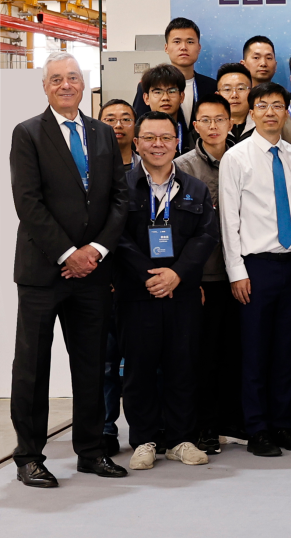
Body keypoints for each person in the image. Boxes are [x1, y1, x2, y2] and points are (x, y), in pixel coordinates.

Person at [10, 51, 130, 487]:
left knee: (91, 364)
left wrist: (94, 250)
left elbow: (119, 198)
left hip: (94, 273)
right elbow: (28, 203)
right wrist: (68, 254)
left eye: (73, 77)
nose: (66, 84)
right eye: (57, 78)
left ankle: (91, 451)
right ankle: (28, 457)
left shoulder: (102, 132)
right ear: (45, 87)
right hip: (44, 273)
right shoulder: (28, 133)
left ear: (84, 85)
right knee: (32, 367)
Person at [115, 111, 218, 470]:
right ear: (137, 142)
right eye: (149, 138)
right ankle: (144, 439)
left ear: (177, 142)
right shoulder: (120, 187)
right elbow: (116, 237)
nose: (157, 145)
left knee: (182, 365)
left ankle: (179, 439)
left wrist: (176, 274)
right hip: (137, 292)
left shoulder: (195, 188)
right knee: (139, 368)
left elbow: (206, 236)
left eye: (165, 138)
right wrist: (149, 275)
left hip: (182, 292)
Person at [219, 82, 291, 458]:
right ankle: (257, 429)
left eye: (277, 105)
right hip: (255, 267)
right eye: (263, 106)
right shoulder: (236, 157)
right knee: (256, 351)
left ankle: (283, 424)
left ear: (286, 111)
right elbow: (229, 219)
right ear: (251, 112)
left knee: (287, 350)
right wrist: (236, 271)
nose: (270, 112)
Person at [175, 94, 243, 454]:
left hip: (240, 274)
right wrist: (189, 278)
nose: (213, 126)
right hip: (204, 278)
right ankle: (203, 428)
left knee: (234, 351)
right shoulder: (182, 167)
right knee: (202, 356)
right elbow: (177, 230)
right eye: (206, 120)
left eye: (220, 119)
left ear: (231, 123)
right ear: (195, 125)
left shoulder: (243, 157)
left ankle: (231, 422)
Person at [97, 99, 138, 455]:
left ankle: (148, 429)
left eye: (126, 118)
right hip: (105, 279)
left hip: (141, 278)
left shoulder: (149, 166)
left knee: (144, 360)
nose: (118, 124)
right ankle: (106, 428)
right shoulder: (91, 168)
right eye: (110, 119)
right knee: (107, 361)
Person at [130, 17, 217, 130]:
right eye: (177, 42)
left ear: (199, 48)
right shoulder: (149, 85)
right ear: (166, 48)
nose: (183, 47)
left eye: (190, 42)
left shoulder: (212, 86)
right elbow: (139, 127)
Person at [139, 64, 196, 153]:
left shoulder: (194, 139)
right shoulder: (137, 136)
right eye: (158, 92)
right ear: (146, 98)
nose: (165, 97)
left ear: (181, 97)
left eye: (172, 91)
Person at [216, 62, 256, 145]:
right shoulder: (205, 129)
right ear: (217, 95)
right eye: (227, 89)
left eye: (241, 89)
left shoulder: (263, 125)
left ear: (252, 93)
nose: (234, 95)